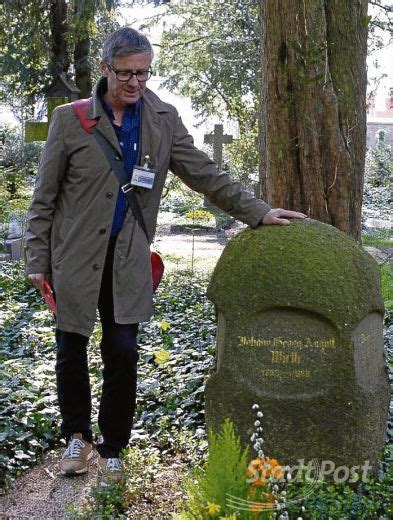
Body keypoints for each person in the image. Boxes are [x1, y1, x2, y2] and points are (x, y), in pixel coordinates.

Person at [26, 27, 306, 486]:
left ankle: (113, 446)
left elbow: (204, 173)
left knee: (123, 352)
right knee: (70, 349)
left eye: (143, 73)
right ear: (104, 69)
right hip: (73, 259)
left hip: (128, 260)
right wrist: (38, 260)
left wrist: (257, 211)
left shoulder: (162, 118)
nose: (136, 83)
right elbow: (44, 198)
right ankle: (76, 436)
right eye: (126, 74)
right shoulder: (70, 121)